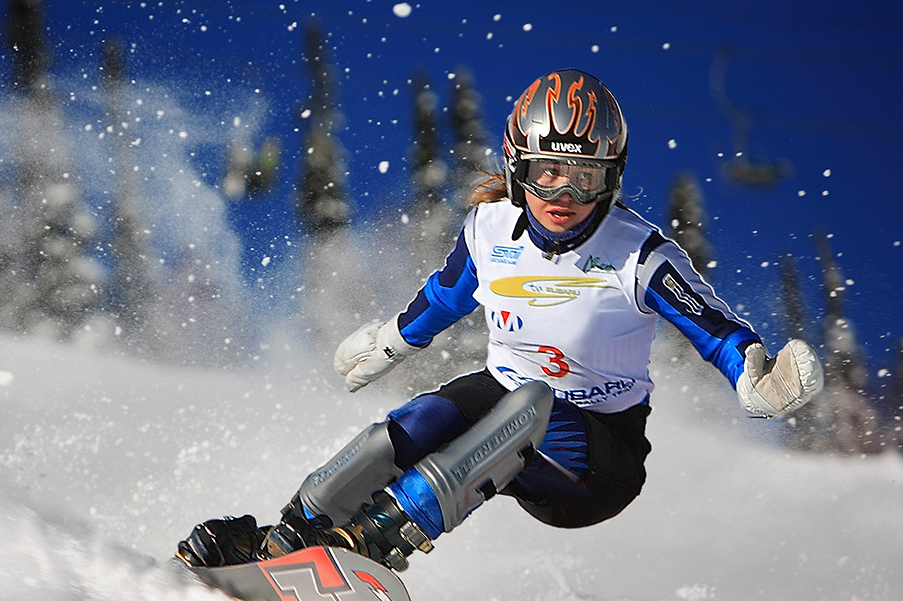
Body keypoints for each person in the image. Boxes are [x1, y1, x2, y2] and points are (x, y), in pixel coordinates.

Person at [177, 68, 823, 572]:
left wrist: (754, 381)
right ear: (516, 168)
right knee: (415, 422)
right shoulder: (491, 229)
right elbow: (448, 294)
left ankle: (373, 544)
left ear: (612, 179)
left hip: (598, 458)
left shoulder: (639, 254)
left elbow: (715, 329)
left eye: (584, 179)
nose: (564, 198)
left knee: (530, 402)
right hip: (506, 398)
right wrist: (392, 342)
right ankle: (293, 533)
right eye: (548, 175)